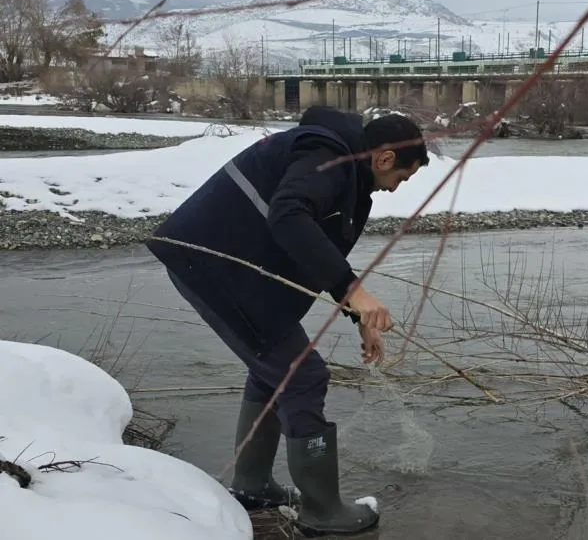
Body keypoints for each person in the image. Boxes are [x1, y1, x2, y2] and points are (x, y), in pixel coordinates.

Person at [146, 105, 429, 537]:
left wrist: (359, 315)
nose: (394, 189)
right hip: (215, 268)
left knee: (273, 371)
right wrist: (355, 292)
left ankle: (253, 486)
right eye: (400, 179)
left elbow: (320, 250)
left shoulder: (345, 171)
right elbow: (289, 214)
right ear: (385, 158)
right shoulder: (327, 156)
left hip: (232, 272)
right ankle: (322, 511)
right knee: (302, 375)